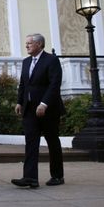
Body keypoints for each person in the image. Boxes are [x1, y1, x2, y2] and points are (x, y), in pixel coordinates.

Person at [12, 33, 65, 188]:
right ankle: (30, 178)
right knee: (31, 143)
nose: (27, 45)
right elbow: (23, 84)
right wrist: (19, 102)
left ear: (40, 44)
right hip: (29, 110)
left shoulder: (51, 60)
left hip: (48, 109)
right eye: (26, 43)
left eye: (30, 43)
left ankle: (57, 176)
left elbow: (54, 84)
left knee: (52, 142)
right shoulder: (26, 62)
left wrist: (44, 103)